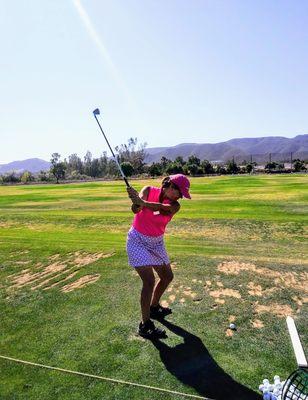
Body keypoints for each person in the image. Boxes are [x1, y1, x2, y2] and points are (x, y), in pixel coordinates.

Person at [126, 174, 191, 339]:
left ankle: (154, 307)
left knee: (167, 276)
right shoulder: (147, 190)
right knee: (149, 281)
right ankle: (145, 325)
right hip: (137, 240)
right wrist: (136, 201)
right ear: (169, 185)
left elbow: (160, 208)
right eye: (179, 192)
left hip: (156, 242)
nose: (180, 196)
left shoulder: (175, 205)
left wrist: (143, 203)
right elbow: (136, 209)